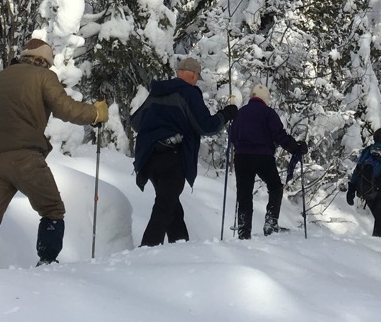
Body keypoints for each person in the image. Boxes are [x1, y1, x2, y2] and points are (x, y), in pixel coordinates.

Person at [0, 37, 109, 269]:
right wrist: (95, 114)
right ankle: (47, 264)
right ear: (42, 60)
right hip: (25, 157)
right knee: (52, 209)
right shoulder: (43, 77)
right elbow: (66, 108)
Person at [131, 56, 237, 246]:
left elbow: (136, 122)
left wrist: (157, 128)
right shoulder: (188, 93)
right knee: (165, 205)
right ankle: (146, 249)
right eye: (197, 76)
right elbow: (205, 126)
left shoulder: (156, 93)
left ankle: (181, 245)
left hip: (150, 158)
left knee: (171, 205)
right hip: (173, 156)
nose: (197, 80)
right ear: (192, 74)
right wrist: (225, 115)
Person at [228, 83, 307, 238]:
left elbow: (232, 135)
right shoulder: (267, 112)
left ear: (252, 96)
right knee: (275, 187)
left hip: (242, 157)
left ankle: (244, 231)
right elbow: (279, 135)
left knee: (244, 194)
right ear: (265, 99)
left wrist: (241, 147)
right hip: (263, 156)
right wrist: (295, 148)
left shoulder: (240, 113)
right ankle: (270, 223)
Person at [345, 128, 381, 238]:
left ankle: (380, 243)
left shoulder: (367, 151)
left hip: (368, 190)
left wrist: (351, 189)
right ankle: (379, 247)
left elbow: (357, 170)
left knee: (379, 220)